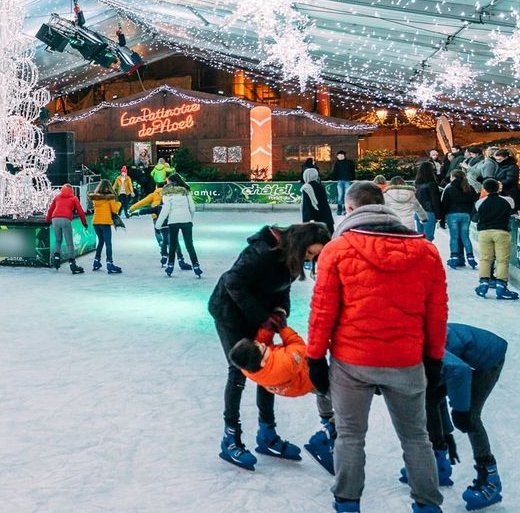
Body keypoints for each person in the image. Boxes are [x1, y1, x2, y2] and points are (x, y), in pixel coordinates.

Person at [306, 181, 449, 513]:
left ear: (351, 208)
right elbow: (437, 310)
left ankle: (347, 503)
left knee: (350, 436)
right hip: (406, 360)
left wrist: (315, 357)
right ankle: (427, 505)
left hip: (352, 361)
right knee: (416, 437)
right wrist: (434, 357)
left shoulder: (337, 250)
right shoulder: (425, 251)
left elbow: (323, 310)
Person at [208, 221, 331, 471]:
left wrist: (279, 309)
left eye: (314, 256)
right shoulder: (262, 251)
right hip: (230, 312)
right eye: (310, 253)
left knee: (270, 364)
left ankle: (267, 434)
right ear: (300, 243)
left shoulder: (290, 256)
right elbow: (233, 281)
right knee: (239, 370)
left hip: (259, 313)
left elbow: (281, 287)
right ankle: (230, 437)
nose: (310, 259)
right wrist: (261, 316)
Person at [425, 324, 508, 510]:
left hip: (489, 356)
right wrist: (446, 436)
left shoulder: (422, 346)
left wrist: (460, 410)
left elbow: (458, 370)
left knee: (471, 416)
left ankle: (491, 478)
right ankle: (439, 464)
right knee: (430, 398)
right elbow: (435, 397)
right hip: (458, 356)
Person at [474, 179, 517, 301]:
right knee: (502, 260)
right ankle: (501, 287)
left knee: (485, 259)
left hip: (484, 232)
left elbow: (477, 215)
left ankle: (483, 284)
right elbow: (512, 208)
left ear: (485, 189)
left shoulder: (480, 203)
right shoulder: (508, 201)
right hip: (501, 232)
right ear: (498, 188)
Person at [155, 174, 201, 277]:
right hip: (186, 220)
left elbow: (165, 210)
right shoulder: (185, 191)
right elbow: (192, 207)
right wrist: (190, 217)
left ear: (171, 182)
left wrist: (158, 225)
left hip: (173, 221)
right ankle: (196, 265)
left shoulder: (167, 193)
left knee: (173, 245)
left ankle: (170, 265)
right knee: (189, 245)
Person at [45, 184, 88, 274]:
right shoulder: (74, 198)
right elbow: (80, 211)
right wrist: (84, 223)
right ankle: (73, 265)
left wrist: (47, 221)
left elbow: (50, 210)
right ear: (71, 190)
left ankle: (56, 259)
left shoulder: (57, 197)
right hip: (66, 219)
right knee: (69, 243)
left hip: (55, 219)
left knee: (58, 240)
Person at [440, 169, 478, 270]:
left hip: (452, 214)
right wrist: (470, 213)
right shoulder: (469, 188)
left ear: (453, 177)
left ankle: (454, 257)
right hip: (466, 214)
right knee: (465, 237)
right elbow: (474, 202)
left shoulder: (450, 188)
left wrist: (442, 219)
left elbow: (445, 204)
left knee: (454, 237)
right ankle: (470, 257)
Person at [87, 180, 122, 273]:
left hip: (96, 222)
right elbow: (114, 210)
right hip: (105, 223)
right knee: (108, 243)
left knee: (101, 241)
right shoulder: (109, 198)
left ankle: (96, 261)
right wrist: (119, 203)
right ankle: (110, 263)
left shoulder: (95, 198)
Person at [301, 167, 335, 235]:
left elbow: (307, 205)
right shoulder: (320, 186)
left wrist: (306, 222)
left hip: (315, 220)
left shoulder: (306, 188)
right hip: (326, 217)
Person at [414, 161, 442, 242]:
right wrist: (439, 215)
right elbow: (435, 201)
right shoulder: (432, 184)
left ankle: (420, 253)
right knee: (428, 237)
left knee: (420, 236)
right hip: (429, 212)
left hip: (418, 212)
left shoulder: (416, 184)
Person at [330, 151, 355, 216]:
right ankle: (340, 209)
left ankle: (347, 209)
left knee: (347, 195)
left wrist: (352, 178)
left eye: (339, 155)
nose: (338, 157)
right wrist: (334, 178)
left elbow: (352, 170)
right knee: (340, 195)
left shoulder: (349, 162)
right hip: (340, 181)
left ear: (342, 155)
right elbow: (335, 171)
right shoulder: (337, 163)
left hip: (347, 180)